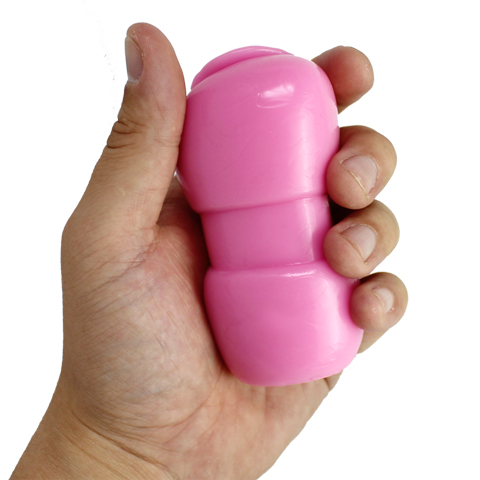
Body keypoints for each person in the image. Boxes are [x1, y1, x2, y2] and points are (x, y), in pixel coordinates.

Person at [11, 22, 408, 480]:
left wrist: (116, 455)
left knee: (352, 236)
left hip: (285, 324)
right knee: (351, 241)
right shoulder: (283, 93)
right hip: (285, 325)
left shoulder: (226, 106)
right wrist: (118, 450)